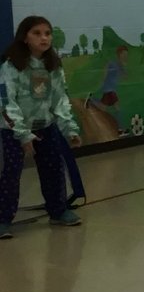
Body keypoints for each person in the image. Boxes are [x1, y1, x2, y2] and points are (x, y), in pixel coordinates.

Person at [0, 15, 83, 238]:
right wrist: (22, 134)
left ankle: (58, 211)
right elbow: (7, 102)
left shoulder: (53, 66)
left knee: (53, 168)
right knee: (11, 173)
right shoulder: (11, 66)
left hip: (46, 127)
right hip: (14, 130)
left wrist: (69, 129)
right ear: (24, 37)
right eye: (37, 33)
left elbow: (60, 100)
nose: (44, 38)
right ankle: (3, 219)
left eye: (47, 33)